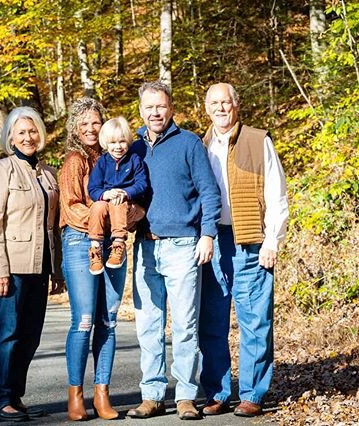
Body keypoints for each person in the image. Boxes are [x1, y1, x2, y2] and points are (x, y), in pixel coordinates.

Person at [126, 81, 221, 420]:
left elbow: (210, 193)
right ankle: (152, 394)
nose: (155, 112)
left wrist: (207, 234)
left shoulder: (189, 143)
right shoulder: (133, 149)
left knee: (184, 324)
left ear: (171, 109)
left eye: (161, 106)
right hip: (146, 247)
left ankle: (185, 395)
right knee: (148, 324)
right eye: (149, 107)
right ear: (141, 110)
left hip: (183, 246)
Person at [198, 83, 288, 417]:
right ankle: (218, 391)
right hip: (212, 241)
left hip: (250, 240)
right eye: (214, 103)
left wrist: (272, 240)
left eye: (226, 102)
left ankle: (253, 393)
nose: (221, 108)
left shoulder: (257, 139)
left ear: (237, 105)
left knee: (255, 321)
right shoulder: (200, 144)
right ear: (206, 108)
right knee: (212, 322)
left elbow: (277, 193)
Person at [0, 106, 65, 423]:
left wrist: (56, 270)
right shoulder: (1, 170)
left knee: (30, 336)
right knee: (6, 334)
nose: (28, 137)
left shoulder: (48, 173)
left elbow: (52, 226)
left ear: (39, 134)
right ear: (11, 138)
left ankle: (14, 397)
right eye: (21, 133)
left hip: (40, 267)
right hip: (11, 268)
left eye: (32, 131)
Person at [59, 98, 128, 421]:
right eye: (83, 123)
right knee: (84, 320)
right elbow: (71, 206)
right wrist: (102, 221)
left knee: (108, 321)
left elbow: (134, 196)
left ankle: (102, 393)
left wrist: (124, 220)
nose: (90, 128)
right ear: (74, 128)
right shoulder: (74, 161)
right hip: (79, 241)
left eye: (95, 122)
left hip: (114, 243)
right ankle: (76, 395)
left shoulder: (117, 156)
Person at [87, 116, 147, 275]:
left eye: (122, 141)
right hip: (106, 201)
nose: (118, 147)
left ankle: (119, 243)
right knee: (97, 206)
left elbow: (142, 184)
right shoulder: (102, 162)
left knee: (118, 202)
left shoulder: (134, 160)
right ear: (106, 144)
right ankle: (95, 248)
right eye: (113, 143)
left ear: (128, 141)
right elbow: (93, 188)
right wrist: (105, 194)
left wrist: (126, 193)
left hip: (127, 204)